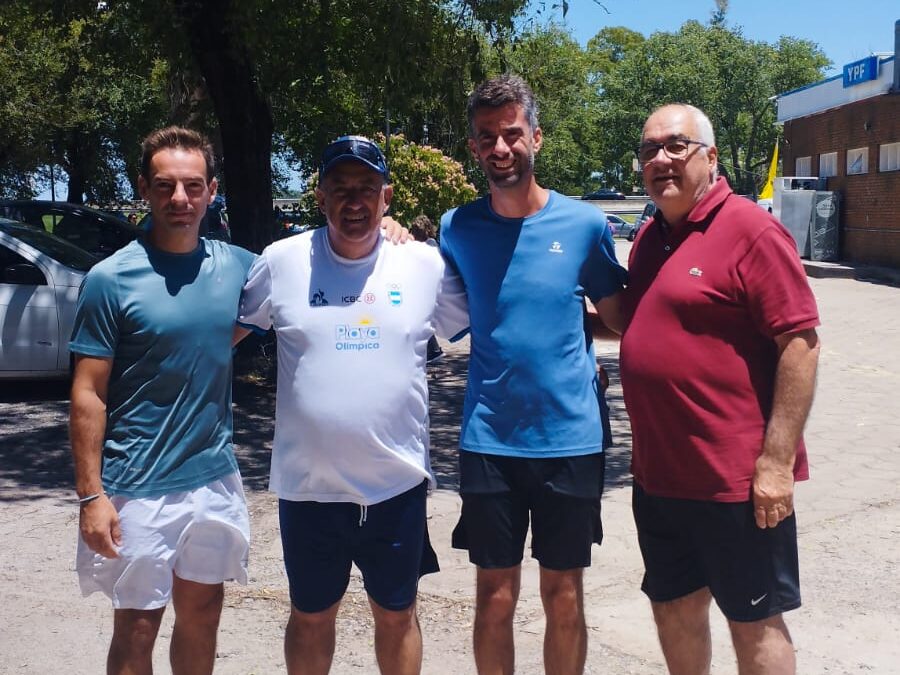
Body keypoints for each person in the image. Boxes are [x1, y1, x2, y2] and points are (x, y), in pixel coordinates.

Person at [236, 135, 468, 675]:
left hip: (396, 486)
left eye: (367, 188)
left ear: (387, 197)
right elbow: (219, 334)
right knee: (311, 617)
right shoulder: (282, 261)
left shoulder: (423, 265)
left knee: (397, 613)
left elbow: (484, 326)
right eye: (341, 189)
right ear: (320, 198)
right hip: (309, 490)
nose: (355, 201)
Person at [620, 103, 820, 675]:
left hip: (737, 484)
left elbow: (800, 345)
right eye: (649, 150)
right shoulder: (651, 238)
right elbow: (641, 324)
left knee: (754, 624)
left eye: (675, 145)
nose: (660, 159)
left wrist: (776, 463)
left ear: (709, 156)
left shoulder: (751, 230)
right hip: (660, 478)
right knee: (673, 610)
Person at [439, 75, 626, 675]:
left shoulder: (585, 227)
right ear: (474, 148)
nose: (501, 147)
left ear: (536, 138)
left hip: (570, 437)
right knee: (494, 597)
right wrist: (390, 230)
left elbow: (621, 322)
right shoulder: (456, 229)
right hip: (489, 438)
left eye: (512, 134)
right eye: (487, 137)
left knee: (563, 596)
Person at [68, 127, 257, 674]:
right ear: (144, 191)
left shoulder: (241, 267)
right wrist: (90, 497)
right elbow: (87, 392)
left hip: (213, 479)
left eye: (193, 186)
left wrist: (392, 232)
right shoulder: (111, 279)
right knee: (137, 627)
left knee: (202, 614)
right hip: (135, 488)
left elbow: (318, 262)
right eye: (166, 186)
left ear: (212, 190)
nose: (181, 199)